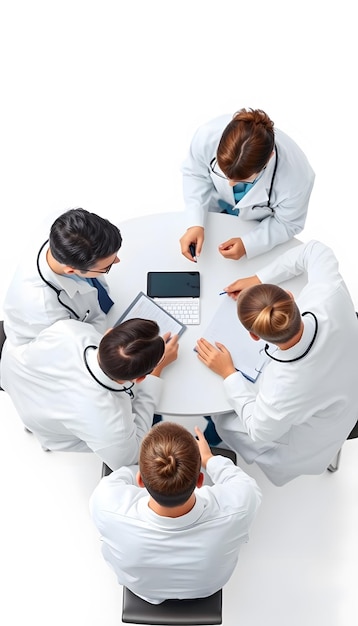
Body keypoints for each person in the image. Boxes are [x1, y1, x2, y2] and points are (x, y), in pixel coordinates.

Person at [195, 240, 358, 486]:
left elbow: (259, 430)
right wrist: (259, 278)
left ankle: (216, 432)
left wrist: (229, 374)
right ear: (291, 297)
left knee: (225, 421)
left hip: (330, 423)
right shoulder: (329, 294)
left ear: (253, 336)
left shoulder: (287, 384)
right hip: (347, 374)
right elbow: (315, 250)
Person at [89, 421, 261, 604]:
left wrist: (150, 468)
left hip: (143, 589)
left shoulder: (106, 504)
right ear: (200, 480)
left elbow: (122, 476)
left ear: (139, 480)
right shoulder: (238, 507)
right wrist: (209, 459)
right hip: (206, 588)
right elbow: (244, 484)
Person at [0, 318, 178, 470]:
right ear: (140, 379)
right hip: (42, 422)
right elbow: (129, 458)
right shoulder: (114, 425)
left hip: (11, 366)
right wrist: (156, 373)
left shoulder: (69, 330)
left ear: (108, 333)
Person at [179, 108, 315, 262]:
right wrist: (195, 223)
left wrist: (249, 244)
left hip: (255, 226)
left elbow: (288, 223)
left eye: (242, 180)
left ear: (270, 158)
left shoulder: (297, 177)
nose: (230, 184)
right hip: (213, 212)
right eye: (223, 174)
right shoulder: (207, 136)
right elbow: (195, 173)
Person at [2, 207, 122, 347]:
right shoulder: (46, 310)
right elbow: (75, 347)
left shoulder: (67, 228)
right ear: (71, 271)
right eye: (107, 267)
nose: (118, 261)